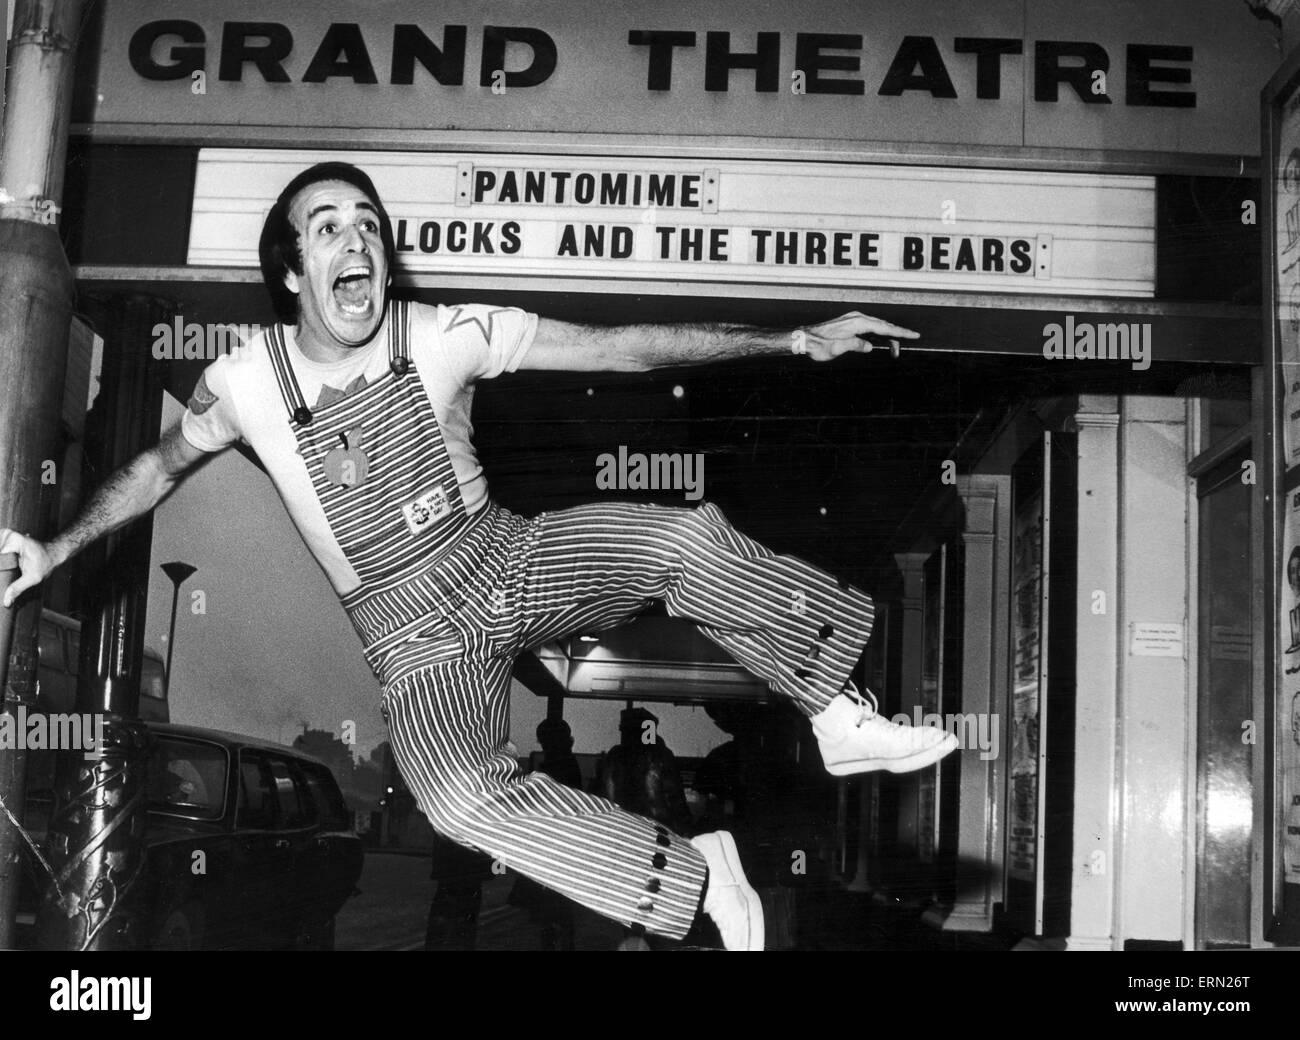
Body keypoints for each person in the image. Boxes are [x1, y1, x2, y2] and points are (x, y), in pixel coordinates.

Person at [0, 161, 957, 952]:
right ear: (292, 272)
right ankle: (703, 873)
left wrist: (792, 337)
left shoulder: (448, 332)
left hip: (504, 557)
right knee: (457, 800)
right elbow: (157, 468)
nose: (358, 242)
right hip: (411, 641)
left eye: (369, 224)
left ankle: (833, 708)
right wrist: (53, 547)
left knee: (682, 537)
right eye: (328, 226)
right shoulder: (245, 382)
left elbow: (624, 350)